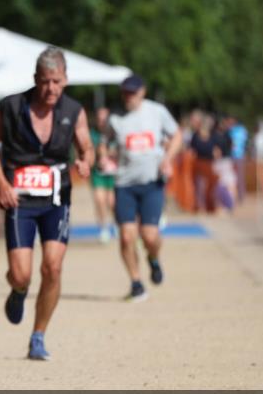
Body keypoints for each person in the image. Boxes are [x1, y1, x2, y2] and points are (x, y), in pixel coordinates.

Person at [0, 46, 93, 360]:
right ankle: (18, 291)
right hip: (19, 200)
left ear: (65, 80)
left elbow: (86, 146)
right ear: (35, 79)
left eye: (57, 82)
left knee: (53, 267)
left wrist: (86, 160)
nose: (51, 88)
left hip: (57, 199)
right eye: (45, 82)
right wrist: (1, 183)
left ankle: (38, 336)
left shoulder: (74, 110)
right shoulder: (12, 107)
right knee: (21, 275)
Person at [107, 74, 182, 302]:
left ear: (142, 92)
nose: (128, 96)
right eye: (125, 92)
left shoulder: (157, 112)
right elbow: (106, 144)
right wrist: (104, 156)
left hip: (152, 183)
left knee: (149, 236)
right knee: (126, 236)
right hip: (124, 184)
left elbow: (177, 135)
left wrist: (167, 158)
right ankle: (136, 282)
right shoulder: (115, 118)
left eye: (133, 92)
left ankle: (153, 258)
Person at [89, 106, 117, 242]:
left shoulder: (115, 132)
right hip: (98, 173)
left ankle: (117, 224)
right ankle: (103, 228)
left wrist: (111, 154)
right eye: (100, 119)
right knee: (100, 201)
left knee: (112, 202)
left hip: (113, 173)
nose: (102, 122)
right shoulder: (91, 134)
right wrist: (96, 156)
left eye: (105, 119)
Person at [188, 113, 220, 213]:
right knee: (199, 185)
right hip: (198, 163)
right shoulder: (195, 136)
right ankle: (199, 206)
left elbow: (217, 151)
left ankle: (210, 206)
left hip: (210, 163)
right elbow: (191, 150)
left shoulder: (213, 136)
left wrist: (216, 155)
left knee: (210, 186)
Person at [226, 116, 249, 202]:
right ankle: (237, 195)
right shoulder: (241, 130)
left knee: (238, 177)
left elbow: (244, 143)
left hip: (237, 156)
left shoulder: (232, 130)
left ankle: (239, 196)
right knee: (236, 177)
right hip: (233, 156)